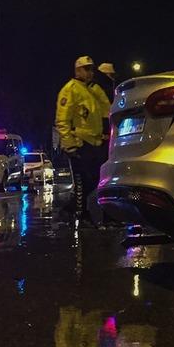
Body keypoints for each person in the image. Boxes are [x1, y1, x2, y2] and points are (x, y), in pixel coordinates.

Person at [55, 56, 110, 226]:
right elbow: (62, 120)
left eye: (91, 69)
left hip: (94, 143)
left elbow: (106, 110)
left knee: (93, 180)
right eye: (86, 69)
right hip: (79, 143)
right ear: (78, 70)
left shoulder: (92, 89)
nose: (90, 72)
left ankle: (70, 210)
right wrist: (69, 143)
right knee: (82, 181)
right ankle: (81, 214)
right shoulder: (70, 89)